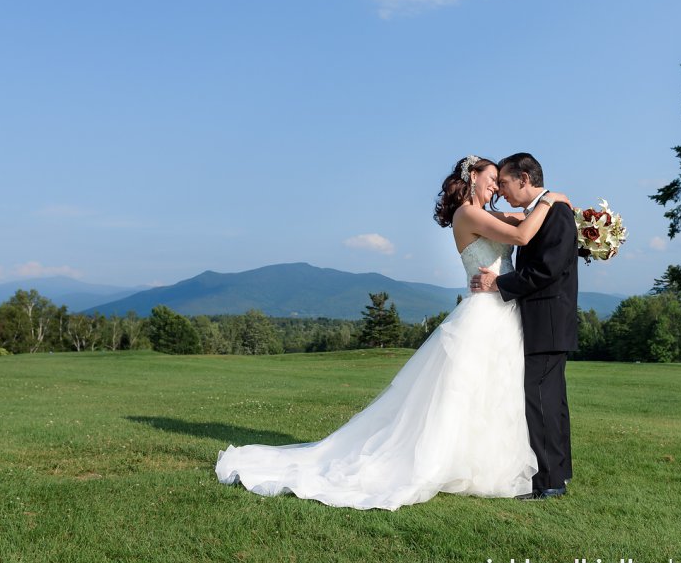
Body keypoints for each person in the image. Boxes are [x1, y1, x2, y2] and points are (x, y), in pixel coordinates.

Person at [214, 155, 569, 510]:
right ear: (472, 176)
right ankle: (443, 462)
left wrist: (561, 211)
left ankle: (497, 464)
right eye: (492, 179)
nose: (496, 187)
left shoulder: (489, 214)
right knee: (464, 392)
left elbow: (526, 217)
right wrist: (553, 199)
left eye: (500, 181)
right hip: (485, 311)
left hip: (506, 312)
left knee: (497, 391)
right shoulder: (467, 214)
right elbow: (522, 234)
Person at [471, 152, 578, 500]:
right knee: (550, 399)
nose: (500, 189)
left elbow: (545, 271)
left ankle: (547, 482)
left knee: (541, 401)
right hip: (544, 320)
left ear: (525, 178)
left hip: (547, 320)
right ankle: (557, 474)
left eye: (504, 182)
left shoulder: (556, 213)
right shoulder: (543, 210)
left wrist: (498, 284)